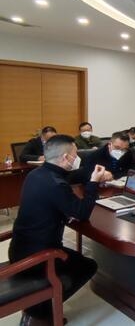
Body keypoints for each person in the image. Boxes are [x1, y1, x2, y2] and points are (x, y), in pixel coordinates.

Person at [9, 135, 104, 324]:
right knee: (88, 266)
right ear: (65, 158)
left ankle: (40, 306)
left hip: (19, 248)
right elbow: (82, 213)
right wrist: (93, 182)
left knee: (75, 262)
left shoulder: (35, 174)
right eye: (75, 154)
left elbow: (50, 202)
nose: (77, 158)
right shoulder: (56, 184)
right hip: (40, 256)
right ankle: (41, 312)